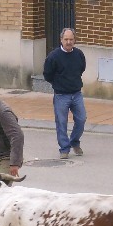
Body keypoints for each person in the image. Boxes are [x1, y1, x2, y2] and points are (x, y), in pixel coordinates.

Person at [43, 28, 87, 159]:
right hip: (61, 95)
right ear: (61, 40)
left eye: (71, 39)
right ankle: (64, 148)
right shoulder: (53, 57)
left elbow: (81, 68)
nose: (68, 42)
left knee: (81, 119)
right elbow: (47, 74)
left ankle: (74, 141)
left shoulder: (79, 54)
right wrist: (58, 84)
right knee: (61, 122)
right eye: (66, 39)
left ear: (75, 40)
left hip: (76, 94)